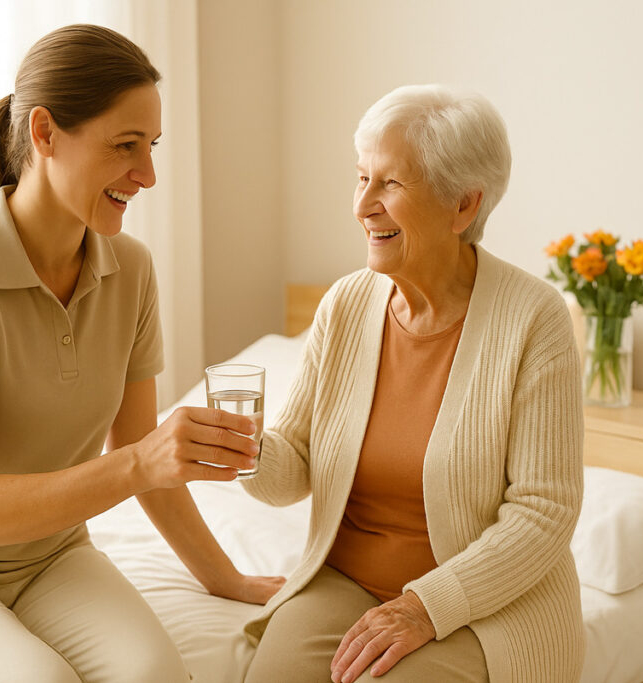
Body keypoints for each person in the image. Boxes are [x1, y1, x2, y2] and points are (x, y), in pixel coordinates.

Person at [0, 24, 283, 683]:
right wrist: (139, 462)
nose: (149, 174)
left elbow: (139, 450)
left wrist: (228, 577)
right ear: (44, 134)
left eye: (152, 147)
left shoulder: (130, 269)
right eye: (126, 146)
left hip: (49, 556)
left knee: (155, 675)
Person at [242, 84, 585, 683]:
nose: (362, 205)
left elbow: (544, 512)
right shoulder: (346, 303)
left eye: (390, 184)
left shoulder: (535, 318)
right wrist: (242, 450)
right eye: (361, 178)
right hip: (344, 581)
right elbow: (294, 462)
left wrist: (424, 607)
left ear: (463, 206)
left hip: (481, 605)